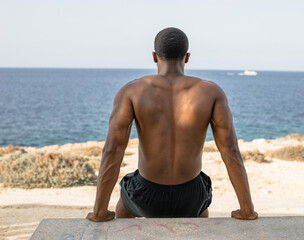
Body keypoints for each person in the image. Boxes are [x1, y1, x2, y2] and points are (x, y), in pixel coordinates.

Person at [86, 27, 258, 221]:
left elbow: (113, 149)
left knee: (124, 205)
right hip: (191, 198)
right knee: (201, 205)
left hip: (146, 196)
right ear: (187, 57)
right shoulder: (211, 92)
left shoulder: (131, 91)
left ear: (154, 56)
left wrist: (99, 212)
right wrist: (247, 210)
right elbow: (231, 150)